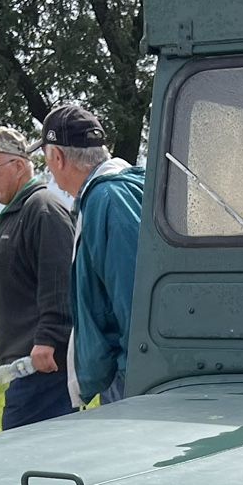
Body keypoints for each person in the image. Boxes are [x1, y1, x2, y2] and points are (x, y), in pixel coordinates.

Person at [0, 125, 76, 428]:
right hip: (24, 367)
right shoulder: (14, 213)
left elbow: (61, 282)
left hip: (43, 367)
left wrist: (48, 340)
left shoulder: (43, 210)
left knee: (25, 461)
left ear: (20, 166)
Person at [36, 103, 145, 405]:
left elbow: (131, 296)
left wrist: (127, 376)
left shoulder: (105, 199)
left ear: (57, 157)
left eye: (47, 160)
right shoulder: (133, 184)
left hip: (131, 379)